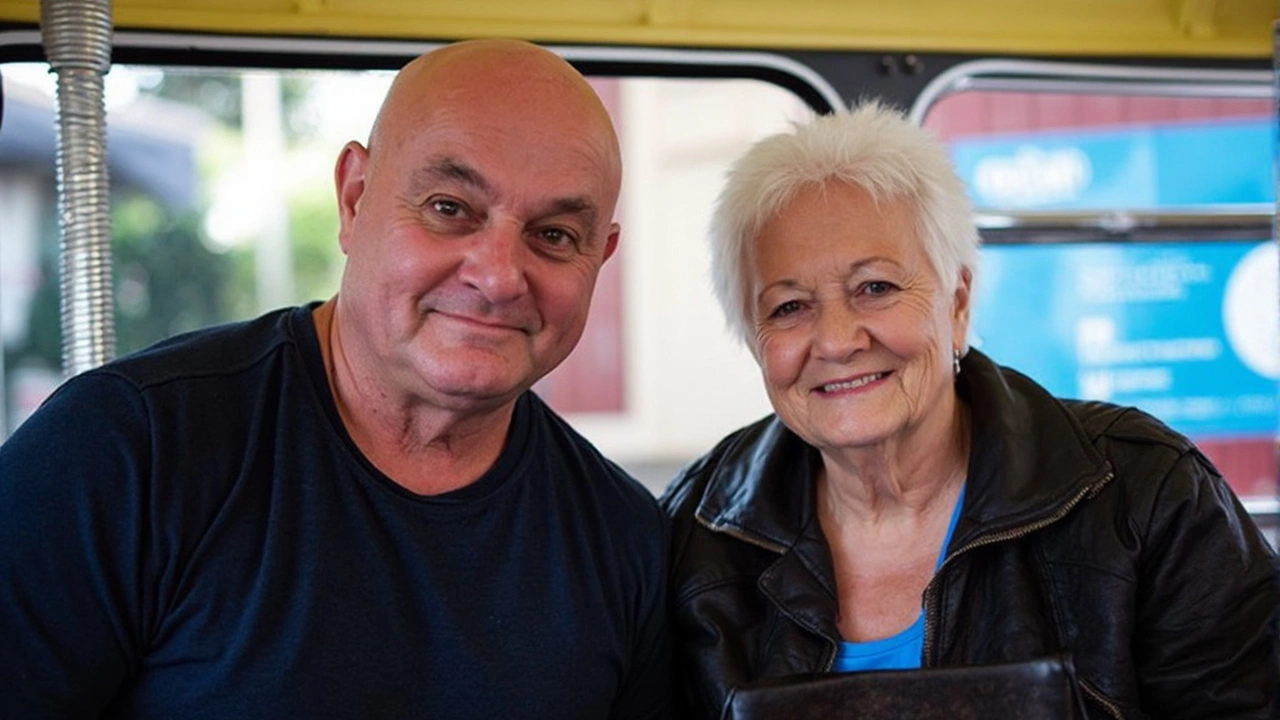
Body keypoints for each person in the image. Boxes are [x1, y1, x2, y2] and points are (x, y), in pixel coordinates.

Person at [0, 39, 671, 719]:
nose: (498, 276)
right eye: (449, 208)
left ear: (601, 257)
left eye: (554, 235)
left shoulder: (623, 536)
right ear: (354, 198)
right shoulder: (121, 453)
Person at [660, 102, 1279, 718]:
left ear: (956, 304)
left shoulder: (1146, 495)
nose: (837, 340)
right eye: (789, 307)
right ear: (753, 337)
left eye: (875, 288)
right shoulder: (693, 533)